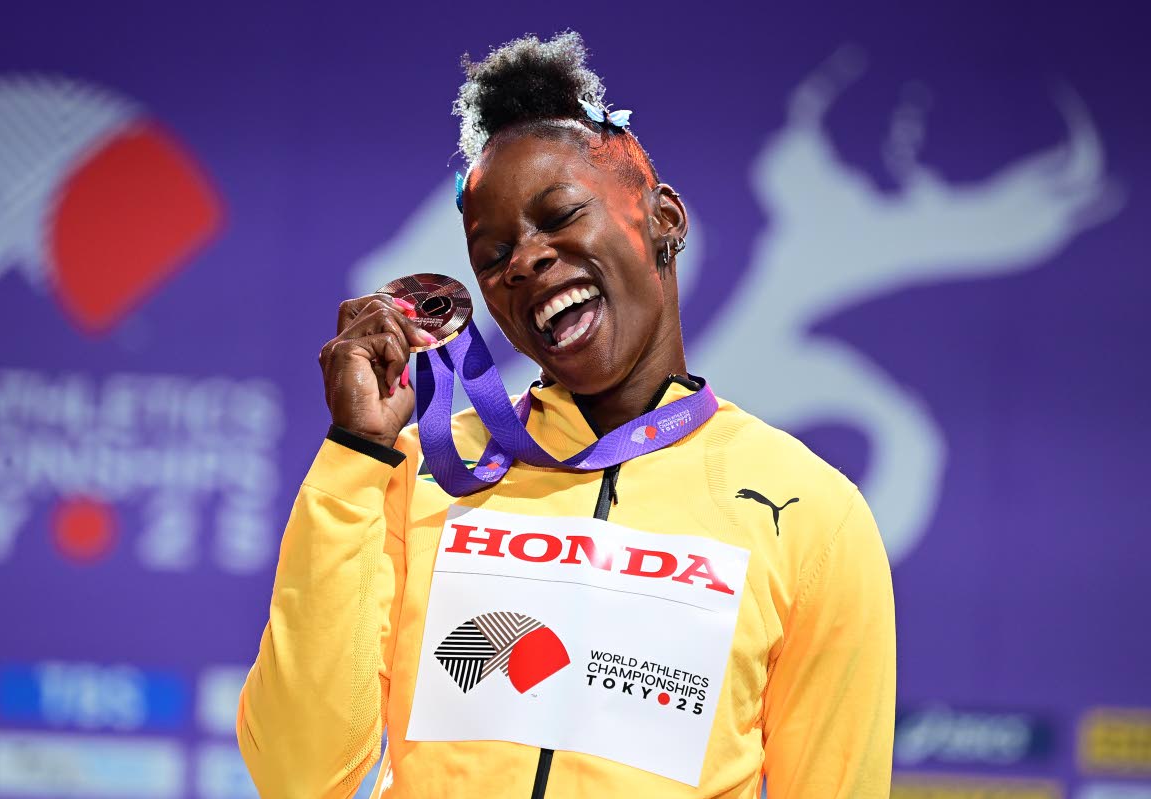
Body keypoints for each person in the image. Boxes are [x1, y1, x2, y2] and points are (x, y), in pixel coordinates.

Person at [237, 31, 895, 799]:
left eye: (559, 215)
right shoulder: (425, 471)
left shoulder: (809, 513)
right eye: (492, 255)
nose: (524, 259)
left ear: (666, 220)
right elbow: (295, 772)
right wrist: (355, 451)